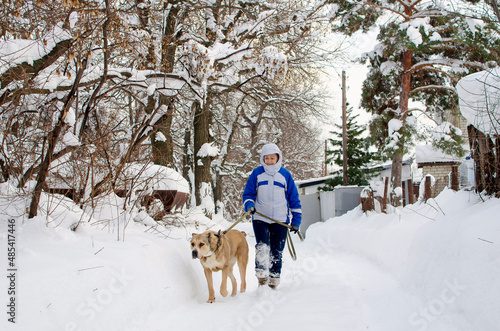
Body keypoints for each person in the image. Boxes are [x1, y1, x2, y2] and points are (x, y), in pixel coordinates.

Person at [242, 143, 302, 289]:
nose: (269, 161)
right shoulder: (257, 173)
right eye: (266, 158)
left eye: (272, 158)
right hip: (260, 217)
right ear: (262, 159)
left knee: (276, 250)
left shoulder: (285, 175)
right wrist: (249, 205)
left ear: (278, 158)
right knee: (262, 247)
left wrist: (296, 220)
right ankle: (262, 278)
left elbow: (293, 198)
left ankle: (274, 280)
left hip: (280, 219)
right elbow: (248, 193)